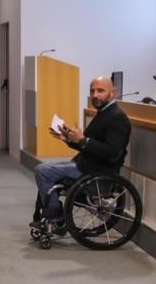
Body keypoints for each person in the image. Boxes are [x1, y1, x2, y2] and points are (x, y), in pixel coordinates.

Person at [32, 76, 132, 227]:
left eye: (100, 91)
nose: (95, 95)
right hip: (86, 165)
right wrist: (68, 138)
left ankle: (56, 216)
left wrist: (83, 140)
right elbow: (89, 146)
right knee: (46, 170)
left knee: (42, 171)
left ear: (113, 92)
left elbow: (112, 152)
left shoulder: (118, 118)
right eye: (92, 91)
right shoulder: (104, 113)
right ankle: (52, 214)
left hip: (96, 171)